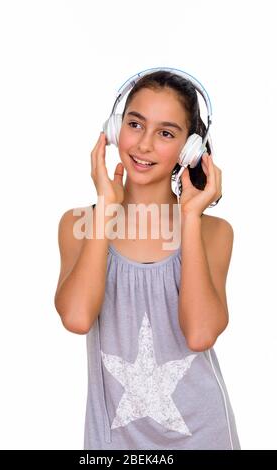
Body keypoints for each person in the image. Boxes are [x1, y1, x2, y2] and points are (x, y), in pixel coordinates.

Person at [54, 70, 241, 450]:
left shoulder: (214, 233)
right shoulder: (79, 224)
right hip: (114, 442)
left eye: (166, 133)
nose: (143, 145)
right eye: (135, 124)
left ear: (189, 150)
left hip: (203, 437)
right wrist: (107, 208)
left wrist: (189, 218)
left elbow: (200, 333)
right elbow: (76, 318)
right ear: (114, 128)